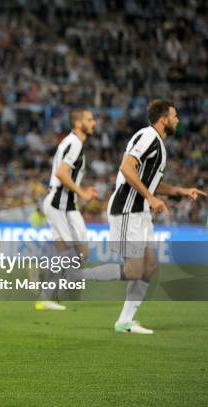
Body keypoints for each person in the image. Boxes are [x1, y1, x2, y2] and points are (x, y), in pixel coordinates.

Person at [74, 100, 205, 333]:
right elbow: (127, 167)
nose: (178, 120)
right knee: (134, 270)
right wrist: (151, 197)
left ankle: (124, 321)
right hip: (127, 208)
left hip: (141, 211)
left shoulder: (158, 144)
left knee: (150, 267)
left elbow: (152, 183)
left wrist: (181, 191)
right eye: (174, 116)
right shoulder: (148, 137)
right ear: (163, 119)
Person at [37, 109, 98, 311]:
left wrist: (80, 192)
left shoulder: (74, 143)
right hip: (58, 203)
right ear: (78, 123)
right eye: (89, 120)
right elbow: (62, 173)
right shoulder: (74, 143)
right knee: (65, 251)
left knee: (82, 251)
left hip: (68, 204)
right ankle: (46, 295)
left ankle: (64, 287)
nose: (94, 123)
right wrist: (82, 192)